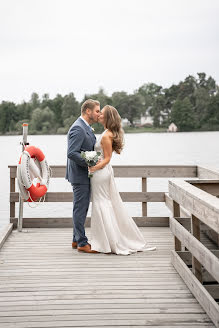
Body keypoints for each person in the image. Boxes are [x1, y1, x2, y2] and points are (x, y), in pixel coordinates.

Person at [88, 105, 156, 255]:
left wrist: (93, 168)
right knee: (104, 203)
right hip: (102, 172)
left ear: (107, 117)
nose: (98, 115)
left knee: (101, 203)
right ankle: (105, 239)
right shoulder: (108, 132)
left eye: (102, 114)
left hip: (100, 172)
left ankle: (107, 241)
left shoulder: (106, 135)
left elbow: (107, 159)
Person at [65, 99, 100, 253]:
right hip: (80, 175)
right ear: (88, 111)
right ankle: (82, 243)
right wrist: (91, 163)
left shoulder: (85, 127)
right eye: (97, 111)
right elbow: (72, 153)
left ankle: (75, 239)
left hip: (83, 175)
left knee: (81, 207)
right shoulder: (78, 128)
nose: (98, 114)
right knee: (80, 208)